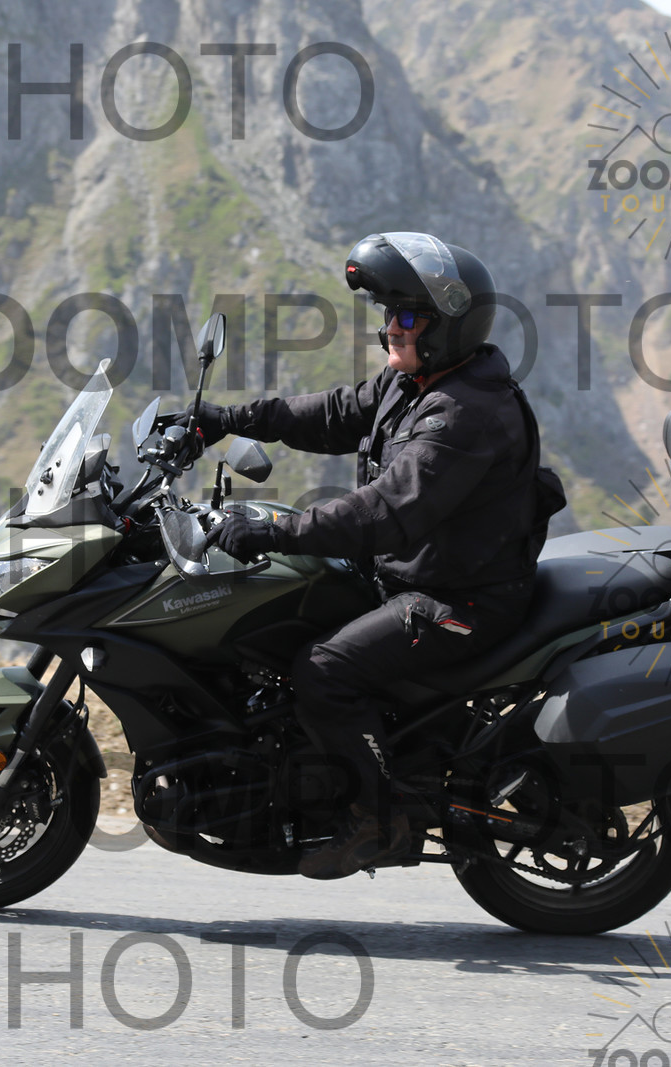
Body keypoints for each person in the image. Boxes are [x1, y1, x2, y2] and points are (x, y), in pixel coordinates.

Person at [180, 232, 549, 879]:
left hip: (461, 600)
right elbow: (334, 414)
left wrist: (276, 531)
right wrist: (227, 419)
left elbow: (386, 511)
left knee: (324, 670)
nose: (391, 329)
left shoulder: (464, 413)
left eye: (407, 316)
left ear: (448, 324)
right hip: (412, 576)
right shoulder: (419, 382)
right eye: (388, 314)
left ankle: (377, 818)